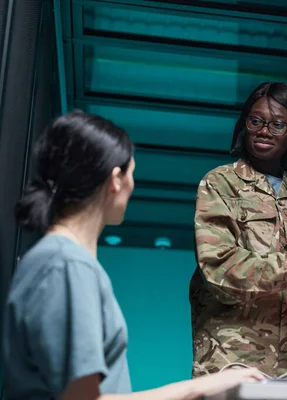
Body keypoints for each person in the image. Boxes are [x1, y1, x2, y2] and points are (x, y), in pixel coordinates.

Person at [1, 111, 263, 400]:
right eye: (132, 173)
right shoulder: (67, 266)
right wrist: (199, 388)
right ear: (115, 180)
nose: (132, 185)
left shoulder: (55, 260)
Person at [190, 82, 287, 378]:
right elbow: (218, 269)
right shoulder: (220, 184)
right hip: (232, 366)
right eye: (256, 121)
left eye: (277, 124)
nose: (264, 131)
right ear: (244, 126)